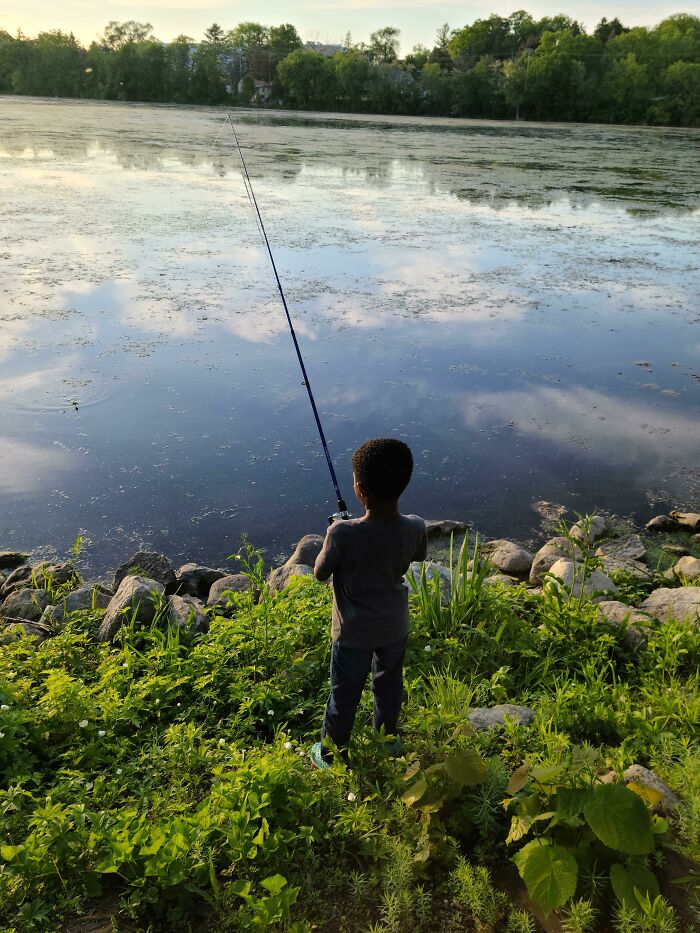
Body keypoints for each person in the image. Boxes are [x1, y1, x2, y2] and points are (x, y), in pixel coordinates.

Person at [310, 438, 427, 768]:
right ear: (404, 484)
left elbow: (320, 573)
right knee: (389, 684)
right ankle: (388, 739)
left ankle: (332, 754)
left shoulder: (341, 534)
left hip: (353, 633)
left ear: (360, 489)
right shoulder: (417, 526)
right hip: (394, 625)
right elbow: (413, 554)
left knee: (344, 693)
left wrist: (336, 528)